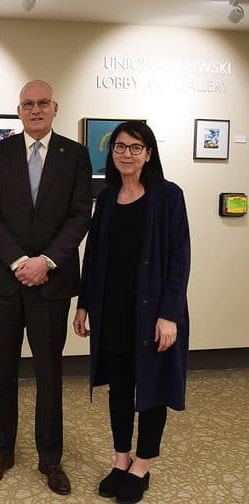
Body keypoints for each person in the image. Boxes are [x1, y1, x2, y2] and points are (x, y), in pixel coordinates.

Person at [0, 80, 92, 495]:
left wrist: (47, 261)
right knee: (2, 371)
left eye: (43, 103)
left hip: (52, 282)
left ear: (55, 108)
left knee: (49, 373)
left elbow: (80, 215)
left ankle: (50, 458)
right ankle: (2, 451)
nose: (36, 109)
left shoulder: (75, 155)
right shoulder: (0, 152)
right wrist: (19, 261)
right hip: (4, 280)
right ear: (19, 110)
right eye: (28, 104)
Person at [74, 121, 190, 504]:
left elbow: (179, 259)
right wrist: (84, 304)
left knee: (152, 389)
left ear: (149, 154)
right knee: (120, 387)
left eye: (135, 147)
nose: (126, 153)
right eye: (120, 146)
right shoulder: (106, 198)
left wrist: (169, 314)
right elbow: (93, 258)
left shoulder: (168, 196)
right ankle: (120, 459)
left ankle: (143, 465)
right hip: (113, 311)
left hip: (153, 314)